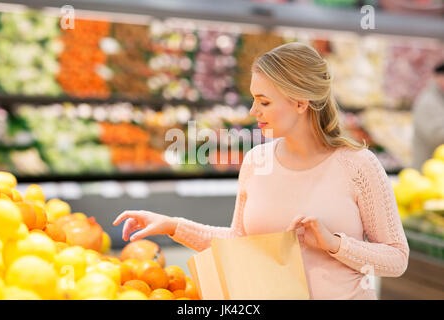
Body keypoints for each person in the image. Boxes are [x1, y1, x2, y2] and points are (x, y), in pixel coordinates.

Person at [113, 42, 409, 300]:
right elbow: (239, 242)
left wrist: (335, 244)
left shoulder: (358, 165)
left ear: (300, 102)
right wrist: (173, 225)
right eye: (254, 98)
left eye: (264, 101)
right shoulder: (256, 161)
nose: (254, 111)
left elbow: (397, 258)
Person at [412, 62, 444, 171]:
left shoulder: (440, 98)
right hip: (426, 169)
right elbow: (435, 136)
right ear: (438, 77)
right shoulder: (428, 101)